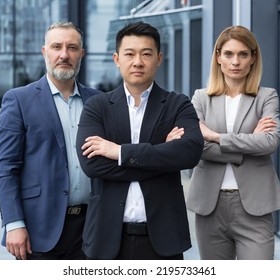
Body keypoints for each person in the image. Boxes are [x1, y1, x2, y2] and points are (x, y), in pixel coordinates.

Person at [75, 21, 204, 260]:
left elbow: (190, 153)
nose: (138, 61)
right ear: (117, 59)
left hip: (163, 238)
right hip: (108, 238)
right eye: (130, 54)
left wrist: (120, 153)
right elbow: (91, 164)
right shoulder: (97, 106)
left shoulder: (178, 104)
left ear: (159, 58)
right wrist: (163, 154)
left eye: (146, 54)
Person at [0, 22, 101, 260]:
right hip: (39, 229)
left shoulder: (99, 101)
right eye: (57, 47)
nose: (64, 54)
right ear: (45, 52)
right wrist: (13, 223)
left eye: (72, 48)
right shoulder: (19, 100)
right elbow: (5, 169)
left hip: (93, 228)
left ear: (81, 54)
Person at [186, 25, 280, 260]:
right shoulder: (201, 98)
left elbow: (269, 142)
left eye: (243, 54)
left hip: (255, 205)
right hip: (210, 204)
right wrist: (248, 143)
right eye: (229, 54)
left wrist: (215, 136)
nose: (236, 62)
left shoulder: (266, 96)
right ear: (218, 57)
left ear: (253, 58)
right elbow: (194, 146)